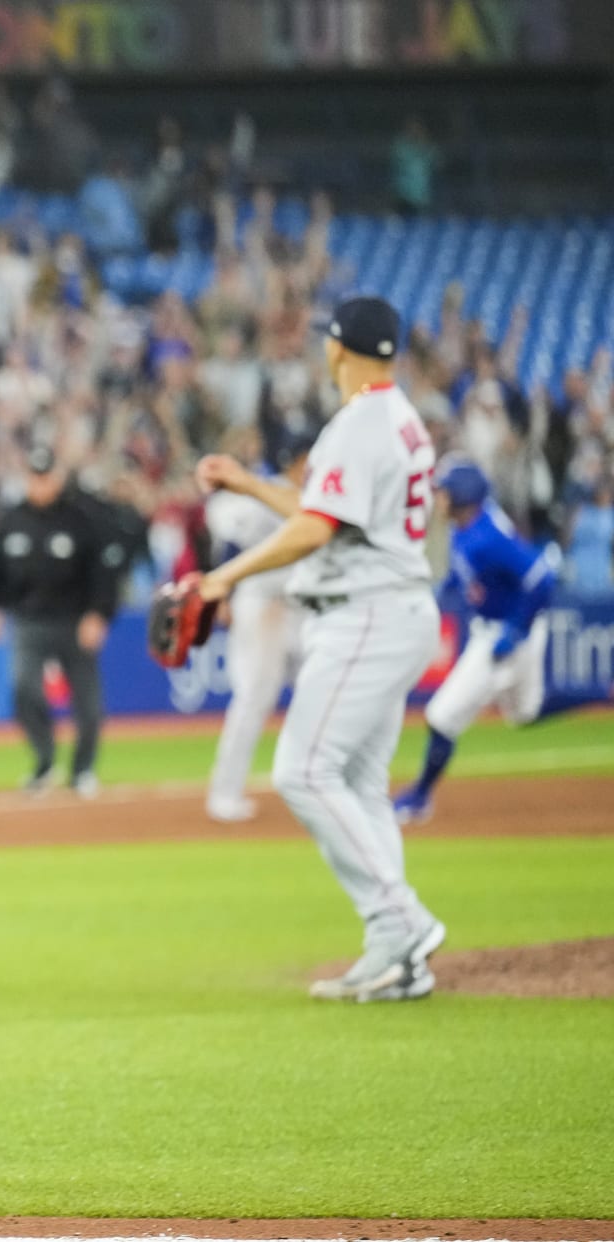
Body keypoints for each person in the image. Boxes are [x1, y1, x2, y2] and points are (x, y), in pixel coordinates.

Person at [193, 296, 444, 1003]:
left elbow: (316, 531)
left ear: (336, 349)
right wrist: (247, 483)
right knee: (359, 785)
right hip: (391, 610)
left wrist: (222, 576)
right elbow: (322, 513)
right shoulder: (398, 417)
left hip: (365, 614)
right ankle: (397, 960)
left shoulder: (360, 423)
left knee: (303, 771)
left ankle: (399, 921)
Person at [392, 458, 558, 823]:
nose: (439, 498)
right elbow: (466, 571)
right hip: (498, 629)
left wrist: (516, 629)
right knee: (524, 713)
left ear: (464, 497)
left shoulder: (488, 536)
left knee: (441, 716)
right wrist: (444, 589)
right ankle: (601, 692)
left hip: (506, 634)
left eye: (445, 492)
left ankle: (419, 798)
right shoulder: (465, 527)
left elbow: (542, 580)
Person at [0, 444, 128, 797]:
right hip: (29, 621)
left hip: (74, 621)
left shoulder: (81, 519)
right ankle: (45, 760)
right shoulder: (11, 520)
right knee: (23, 689)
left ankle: (82, 770)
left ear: (57, 478)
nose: (41, 484)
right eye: (35, 477)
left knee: (88, 703)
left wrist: (98, 614)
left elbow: (103, 572)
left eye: (46, 477)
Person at [201, 433, 311, 823]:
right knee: (253, 699)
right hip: (262, 604)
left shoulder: (297, 493)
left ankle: (313, 780)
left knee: (319, 690)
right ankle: (224, 793)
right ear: (298, 460)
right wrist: (226, 593)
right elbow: (231, 543)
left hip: (297, 606)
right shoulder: (275, 492)